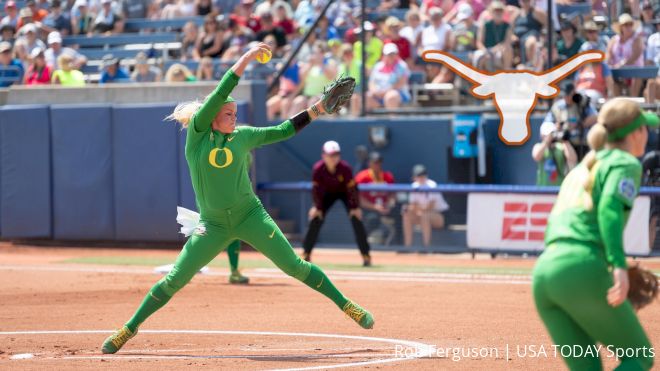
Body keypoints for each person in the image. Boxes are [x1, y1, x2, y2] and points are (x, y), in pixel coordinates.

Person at [100, 43, 374, 354]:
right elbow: (220, 93)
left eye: (234, 113)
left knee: (295, 267)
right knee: (175, 280)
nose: (234, 117)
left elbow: (283, 129)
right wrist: (245, 59)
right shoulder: (197, 139)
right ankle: (129, 328)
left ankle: (347, 305)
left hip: (250, 216)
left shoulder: (242, 136)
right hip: (212, 225)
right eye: (228, 113)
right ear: (212, 117)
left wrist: (316, 110)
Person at [532, 98, 657, 371]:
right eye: (645, 128)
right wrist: (618, 265)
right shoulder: (625, 162)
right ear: (635, 132)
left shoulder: (582, 168)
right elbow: (610, 210)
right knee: (640, 356)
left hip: (545, 273)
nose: (648, 134)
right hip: (582, 267)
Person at [302, 141, 372, 266]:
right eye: (330, 155)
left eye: (336, 155)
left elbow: (352, 189)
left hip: (345, 194)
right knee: (316, 218)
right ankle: (306, 254)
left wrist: (355, 207)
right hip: (327, 195)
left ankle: (366, 255)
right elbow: (316, 190)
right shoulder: (318, 169)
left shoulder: (345, 168)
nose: (333, 158)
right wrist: (317, 207)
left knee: (356, 218)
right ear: (323, 155)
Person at [543, 82, 598, 160]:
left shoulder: (581, 102)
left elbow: (596, 117)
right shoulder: (558, 106)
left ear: (573, 93)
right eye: (564, 95)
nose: (566, 97)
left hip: (583, 143)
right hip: (564, 142)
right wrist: (556, 127)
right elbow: (546, 124)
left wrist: (581, 123)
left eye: (569, 95)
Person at [402, 164, 449, 247]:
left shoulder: (432, 185)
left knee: (425, 216)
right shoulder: (414, 186)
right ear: (414, 177)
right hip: (423, 214)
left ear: (426, 176)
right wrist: (411, 209)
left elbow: (430, 207)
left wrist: (417, 209)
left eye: (422, 175)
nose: (421, 178)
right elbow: (413, 206)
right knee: (407, 215)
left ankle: (426, 247)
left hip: (441, 215)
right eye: (418, 176)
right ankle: (407, 246)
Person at [355, 152, 396, 245]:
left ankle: (396, 246)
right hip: (369, 209)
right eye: (375, 162)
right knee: (371, 219)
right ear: (369, 163)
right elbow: (357, 197)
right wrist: (375, 207)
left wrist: (389, 205)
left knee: (400, 215)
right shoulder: (362, 177)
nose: (377, 165)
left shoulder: (387, 176)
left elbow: (393, 194)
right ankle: (364, 245)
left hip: (386, 209)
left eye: (379, 162)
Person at [607, 13, 645, 97]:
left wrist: (621, 65)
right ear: (621, 27)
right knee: (611, 79)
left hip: (634, 72)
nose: (628, 27)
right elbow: (609, 56)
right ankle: (616, 104)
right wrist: (610, 65)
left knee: (636, 78)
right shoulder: (614, 40)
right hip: (617, 72)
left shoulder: (637, 39)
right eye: (625, 25)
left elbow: (634, 57)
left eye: (630, 24)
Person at [366, 43, 411, 111]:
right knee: (366, 97)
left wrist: (385, 92)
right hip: (378, 94)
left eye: (393, 54)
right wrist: (374, 91)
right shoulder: (378, 66)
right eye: (389, 54)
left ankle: (392, 119)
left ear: (397, 54)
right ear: (384, 55)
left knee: (391, 97)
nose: (391, 56)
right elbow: (371, 82)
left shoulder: (402, 66)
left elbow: (401, 83)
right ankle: (370, 120)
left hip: (398, 93)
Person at [532, 122, 578, 186]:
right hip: (542, 190)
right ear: (542, 135)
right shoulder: (538, 146)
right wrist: (547, 141)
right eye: (547, 134)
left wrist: (565, 140)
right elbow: (536, 156)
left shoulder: (561, 147)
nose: (551, 136)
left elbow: (573, 159)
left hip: (558, 188)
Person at [475, 0, 512, 71]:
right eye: (496, 10)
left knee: (508, 50)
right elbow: (479, 42)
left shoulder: (507, 26)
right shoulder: (485, 25)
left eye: (500, 10)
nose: (498, 12)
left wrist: (497, 48)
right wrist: (485, 51)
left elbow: (507, 42)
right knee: (481, 56)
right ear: (491, 12)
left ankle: (507, 74)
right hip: (487, 49)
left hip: (500, 49)